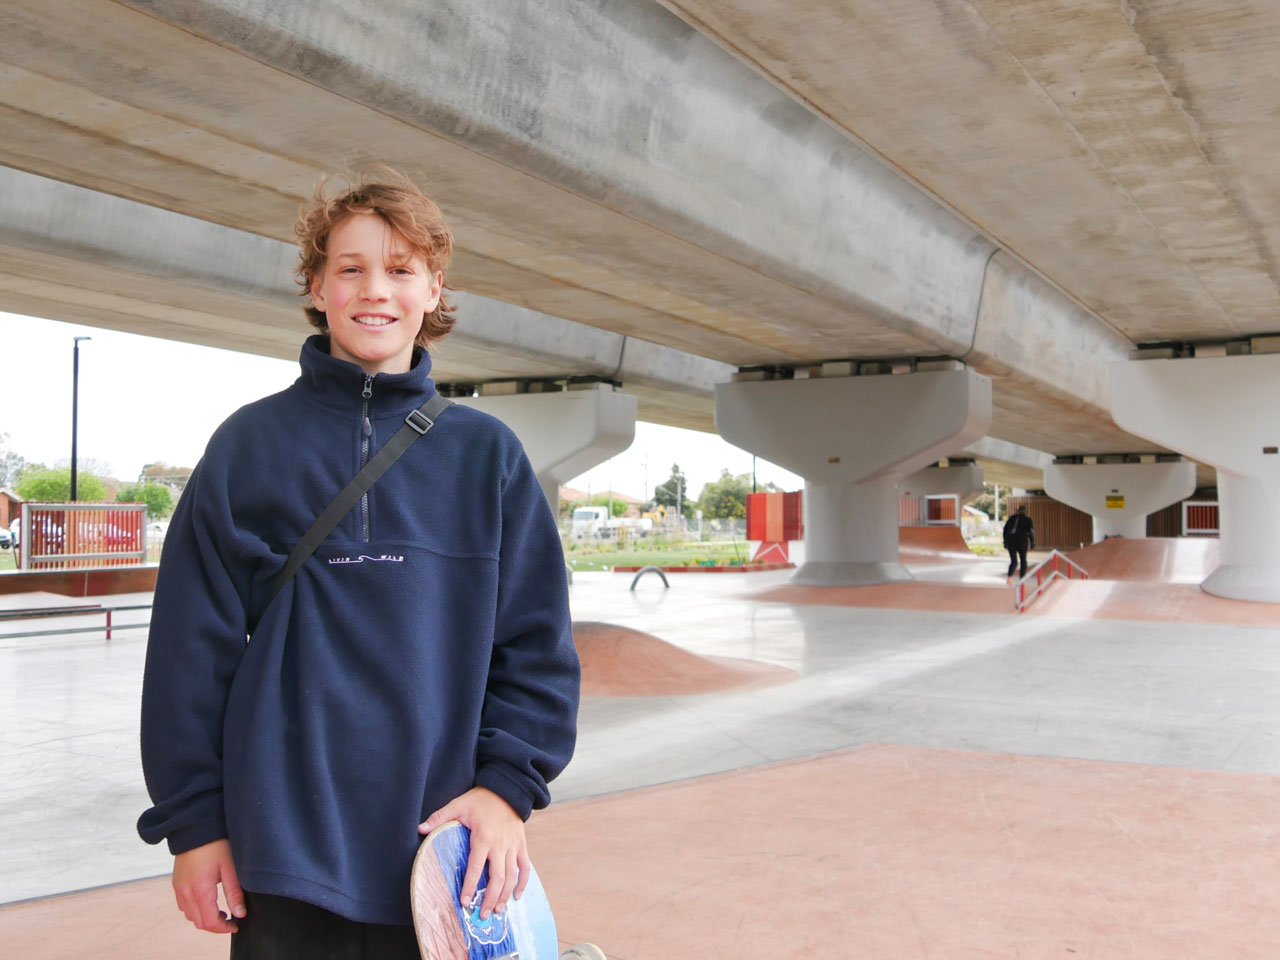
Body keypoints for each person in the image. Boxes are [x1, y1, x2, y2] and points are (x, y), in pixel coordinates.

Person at [137, 167, 580, 959]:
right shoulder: (248, 446)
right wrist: (194, 828)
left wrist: (507, 792)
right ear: (317, 284)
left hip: (444, 849)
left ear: (433, 287)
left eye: (400, 269)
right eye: (351, 267)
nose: (375, 290)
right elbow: (186, 653)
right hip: (283, 851)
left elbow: (537, 647)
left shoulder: (489, 457)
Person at [1003, 504, 1035, 583]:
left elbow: (1005, 531)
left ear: (1018, 510)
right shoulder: (1028, 520)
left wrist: (1005, 541)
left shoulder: (1011, 518)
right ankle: (1022, 578)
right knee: (1023, 560)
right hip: (1022, 542)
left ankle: (1010, 577)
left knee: (1014, 561)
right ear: (1025, 511)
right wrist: (1032, 544)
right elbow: (1031, 532)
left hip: (1011, 542)